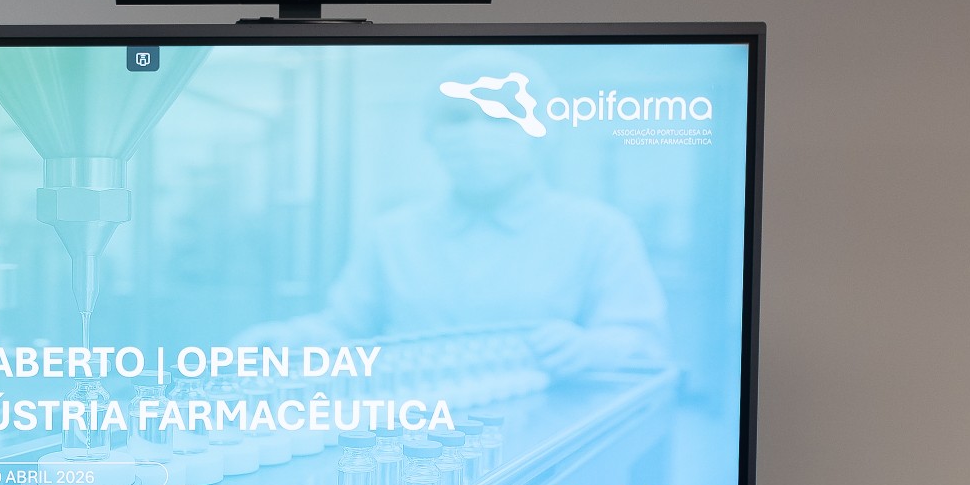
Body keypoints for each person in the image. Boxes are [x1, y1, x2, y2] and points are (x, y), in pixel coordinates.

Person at [251, 80, 673, 376]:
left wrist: (592, 348)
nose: (476, 134)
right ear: (431, 135)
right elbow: (346, 329)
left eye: (502, 115)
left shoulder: (598, 230)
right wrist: (287, 342)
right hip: (413, 437)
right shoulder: (392, 234)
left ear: (542, 133)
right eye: (457, 117)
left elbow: (645, 342)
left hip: (550, 444)